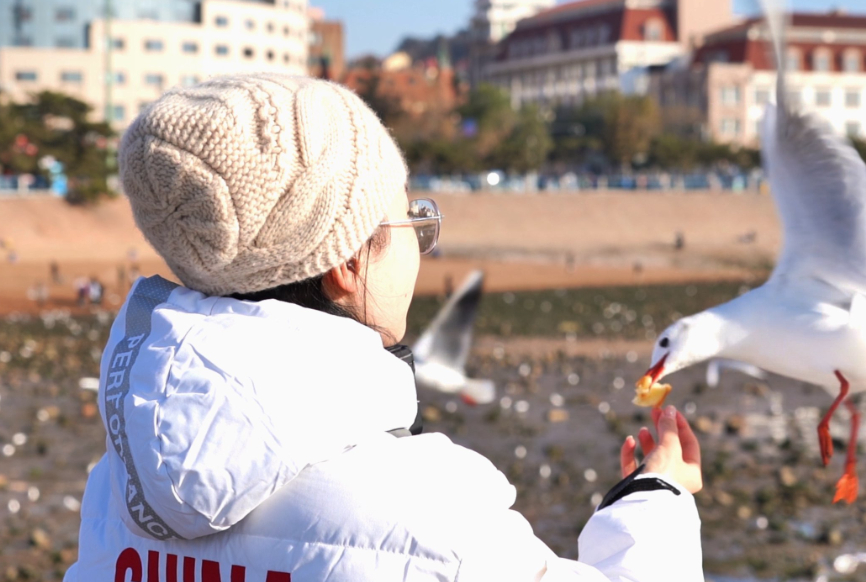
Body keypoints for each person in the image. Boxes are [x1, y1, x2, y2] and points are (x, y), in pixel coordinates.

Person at [65, 74, 706, 582]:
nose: (421, 247)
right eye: (411, 221)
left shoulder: (118, 488)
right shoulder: (435, 518)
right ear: (347, 263)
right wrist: (657, 497)